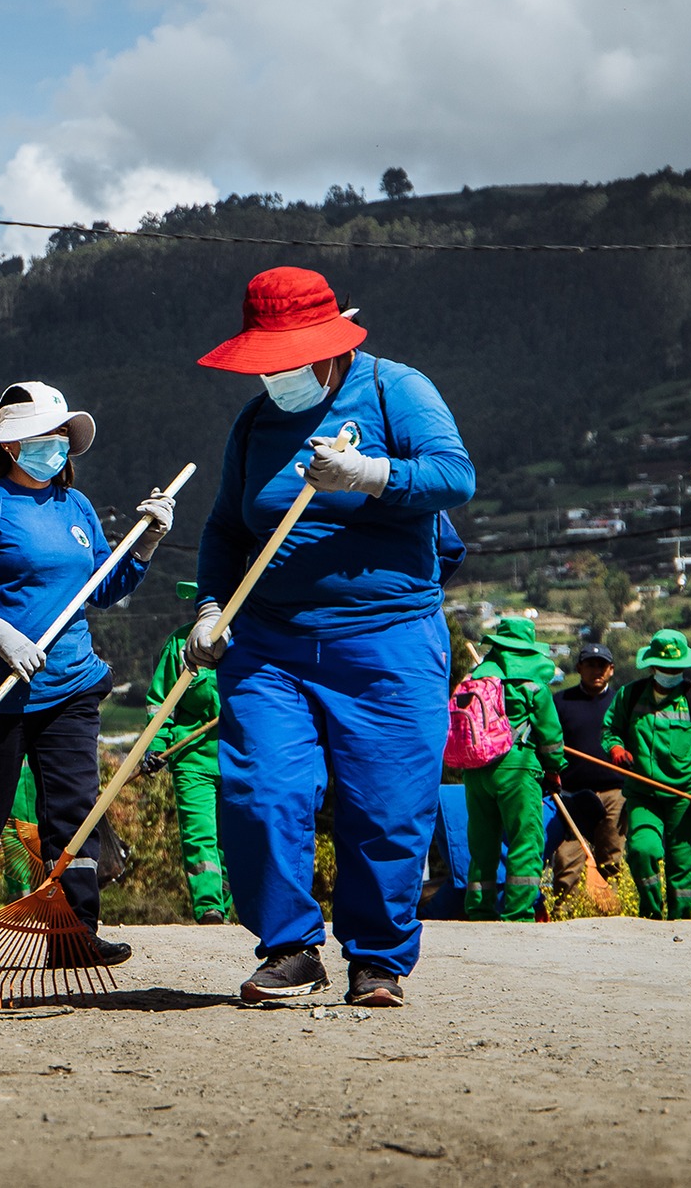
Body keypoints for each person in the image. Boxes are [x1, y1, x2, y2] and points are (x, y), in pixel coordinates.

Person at [189, 267, 474, 1008]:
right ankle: (288, 945)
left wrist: (370, 472)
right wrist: (209, 607)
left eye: (290, 356)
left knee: (385, 806)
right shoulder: (254, 424)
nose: (278, 374)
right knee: (261, 793)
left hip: (389, 642)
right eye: (267, 360)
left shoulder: (395, 389)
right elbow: (225, 527)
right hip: (272, 646)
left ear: (330, 344)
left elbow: (454, 476)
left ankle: (377, 959)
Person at [0, 380, 176, 964]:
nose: (57, 445)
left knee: (74, 812)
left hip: (69, 684)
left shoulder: (76, 508)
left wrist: (145, 545)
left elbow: (102, 586)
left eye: (62, 436)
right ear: (10, 446)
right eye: (45, 436)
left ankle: (73, 932)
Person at [601, 629, 691, 921]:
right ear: (652, 665)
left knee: (682, 864)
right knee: (642, 850)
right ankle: (651, 913)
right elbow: (610, 729)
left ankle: (681, 918)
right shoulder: (629, 696)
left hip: (685, 797)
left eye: (675, 668)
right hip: (643, 794)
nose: (670, 672)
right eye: (665, 667)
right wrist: (615, 747)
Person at [460, 618, 565, 921]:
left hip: (476, 771)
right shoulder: (533, 684)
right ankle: (518, 913)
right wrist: (554, 769)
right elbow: (551, 738)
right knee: (525, 840)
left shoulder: (477, 677)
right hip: (516, 769)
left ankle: (478, 909)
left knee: (482, 844)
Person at [139, 581, 228, 924]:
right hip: (192, 757)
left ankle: (231, 904)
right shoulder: (180, 644)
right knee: (199, 832)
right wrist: (156, 747)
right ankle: (209, 908)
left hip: (242, 759)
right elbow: (159, 704)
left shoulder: (251, 646)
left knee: (236, 839)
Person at [551, 642, 627, 891]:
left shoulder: (622, 705)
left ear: (611, 670)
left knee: (612, 857)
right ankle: (564, 914)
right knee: (566, 860)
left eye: (602, 666)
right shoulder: (560, 702)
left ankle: (612, 916)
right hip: (571, 797)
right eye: (591, 665)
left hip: (614, 794)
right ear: (579, 668)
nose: (597, 671)